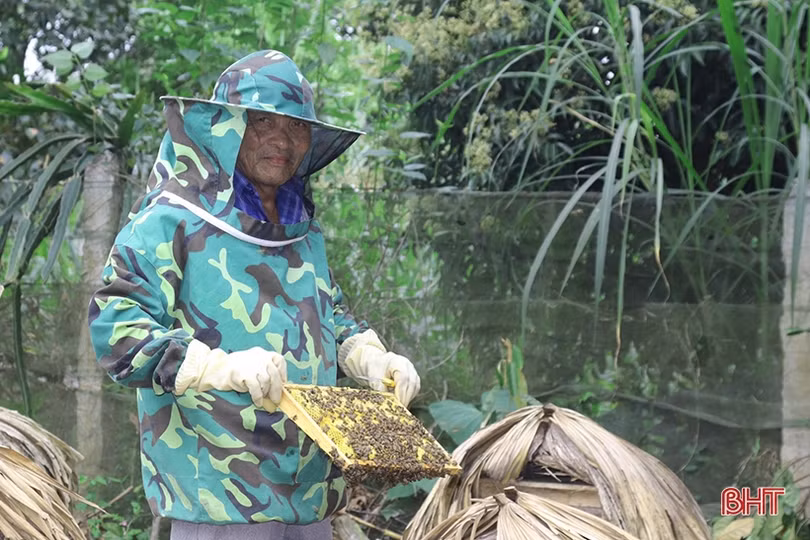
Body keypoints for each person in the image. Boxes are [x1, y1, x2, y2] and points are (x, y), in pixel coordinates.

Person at [87, 50, 421, 540]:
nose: (282, 141)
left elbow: (330, 313)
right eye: (263, 121)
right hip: (219, 499)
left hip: (310, 494)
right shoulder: (171, 218)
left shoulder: (301, 228)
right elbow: (116, 329)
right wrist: (218, 367)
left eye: (296, 127)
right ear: (225, 127)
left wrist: (371, 357)